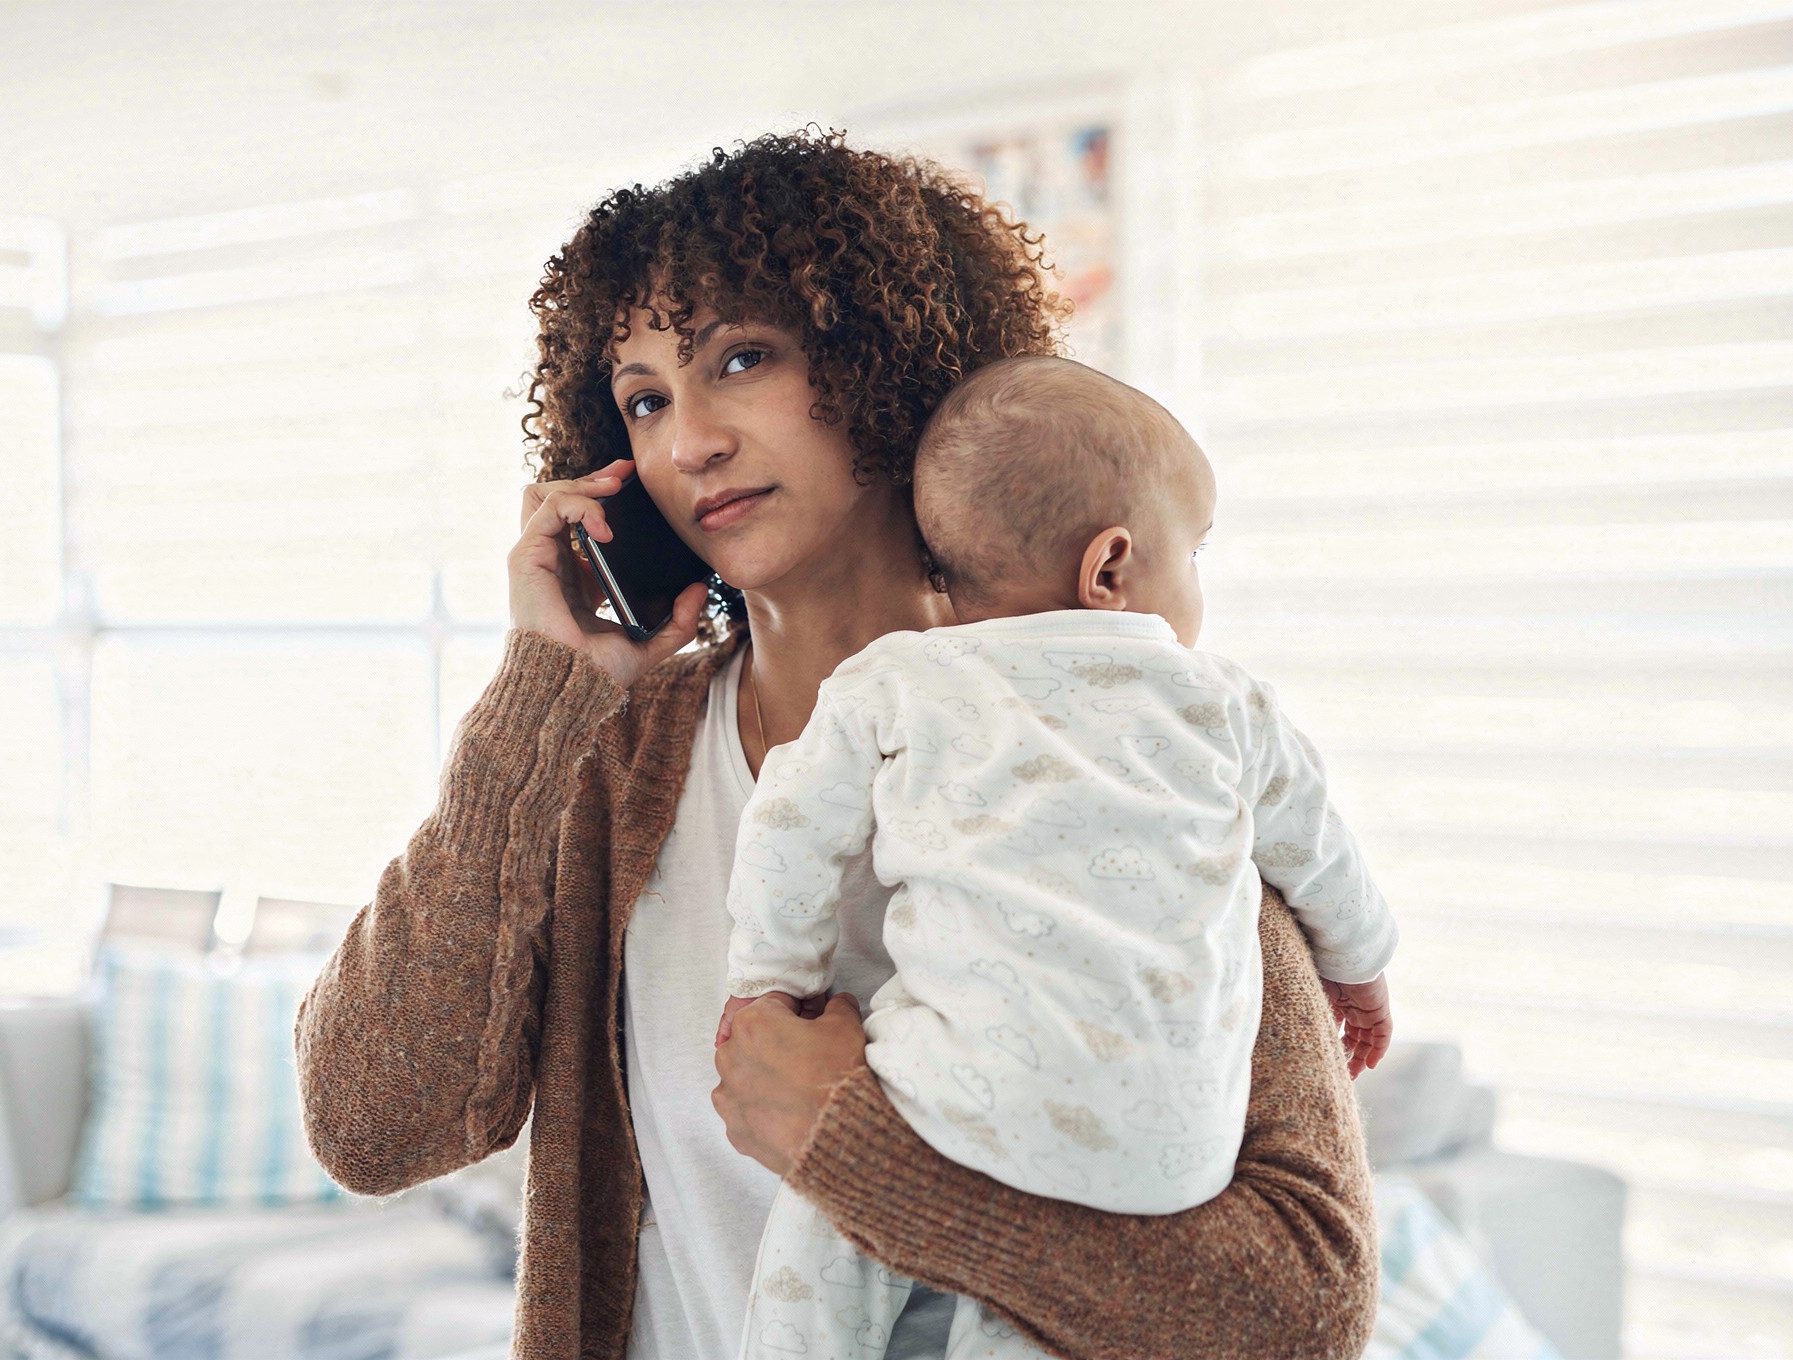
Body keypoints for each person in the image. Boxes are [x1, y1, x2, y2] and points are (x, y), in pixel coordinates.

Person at [292, 129, 1381, 1360]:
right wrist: (545, 689)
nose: (686, 441)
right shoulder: (613, 759)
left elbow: (1301, 1312)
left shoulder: (1126, 724)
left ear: (890, 363)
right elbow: (372, 1122)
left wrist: (858, 1155)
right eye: (644, 398)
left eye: (740, 359)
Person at [715, 355, 1398, 1359]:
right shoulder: (1221, 704)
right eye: (1194, 552)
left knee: (824, 1238)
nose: (1197, 584)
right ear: (1110, 567)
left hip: (955, 1098)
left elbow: (789, 825)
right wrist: (1361, 969)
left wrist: (773, 980)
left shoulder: (898, 683)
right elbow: (1322, 853)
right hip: (1171, 1153)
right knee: (1036, 1312)